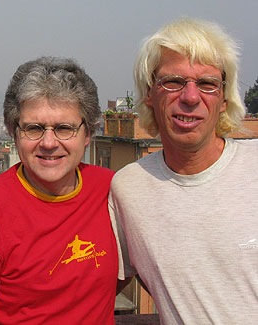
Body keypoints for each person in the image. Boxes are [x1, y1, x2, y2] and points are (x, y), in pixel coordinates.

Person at [0, 57, 118, 324]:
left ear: (88, 135)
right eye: (34, 128)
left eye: (64, 128)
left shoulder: (112, 192)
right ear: (15, 134)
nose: (49, 143)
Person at [110, 18, 258, 323]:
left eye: (207, 84)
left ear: (224, 98)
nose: (190, 97)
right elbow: (87, 287)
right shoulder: (129, 189)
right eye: (173, 82)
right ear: (150, 94)